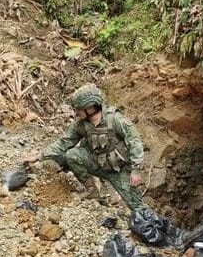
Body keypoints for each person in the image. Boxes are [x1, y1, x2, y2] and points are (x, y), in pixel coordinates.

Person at [24, 83, 147, 211]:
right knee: (72, 155)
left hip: (119, 171)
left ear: (90, 107)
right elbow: (63, 142)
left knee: (136, 206)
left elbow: (135, 142)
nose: (76, 112)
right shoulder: (81, 125)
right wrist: (38, 156)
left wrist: (136, 171)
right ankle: (92, 190)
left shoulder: (115, 119)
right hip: (98, 164)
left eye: (78, 109)